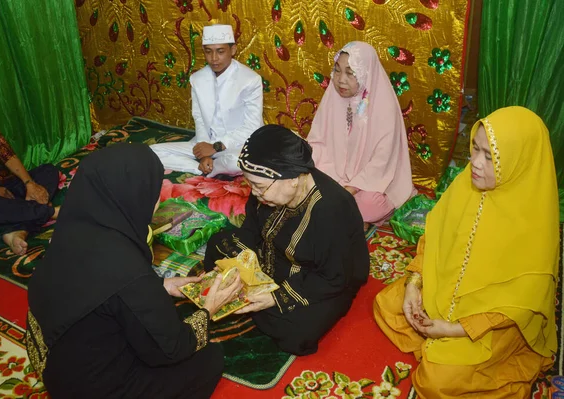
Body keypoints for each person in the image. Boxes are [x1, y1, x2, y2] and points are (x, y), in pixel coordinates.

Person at [26, 143, 242, 399]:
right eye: (152, 192)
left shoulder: (72, 230)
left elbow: (97, 288)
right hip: (93, 389)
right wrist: (209, 308)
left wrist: (162, 286)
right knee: (208, 359)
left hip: (57, 365)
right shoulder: (127, 269)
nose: (156, 202)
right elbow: (170, 349)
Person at [373, 107, 558, 398]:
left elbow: (513, 308)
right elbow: (433, 241)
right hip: (443, 291)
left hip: (487, 323)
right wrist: (414, 284)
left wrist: (451, 329)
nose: (474, 162)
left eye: (489, 156)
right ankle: (436, 345)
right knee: (389, 305)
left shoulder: (533, 221)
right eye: (475, 148)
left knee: (435, 383)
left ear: (518, 162)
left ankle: (447, 351)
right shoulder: (465, 185)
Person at [204, 125, 370, 355]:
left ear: (293, 179)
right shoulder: (268, 189)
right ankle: (249, 297)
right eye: (250, 184)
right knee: (217, 245)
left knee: (297, 333)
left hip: (319, 278)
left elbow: (334, 276)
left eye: (259, 187)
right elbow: (252, 229)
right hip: (273, 255)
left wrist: (275, 297)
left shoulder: (331, 210)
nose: (254, 193)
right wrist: (243, 263)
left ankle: (250, 300)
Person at [307, 42, 415, 226]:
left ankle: (347, 213)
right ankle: (349, 217)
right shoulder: (332, 95)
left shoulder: (384, 105)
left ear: (366, 73)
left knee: (369, 203)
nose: (341, 80)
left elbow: (382, 162)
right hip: (335, 176)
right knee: (301, 181)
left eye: (350, 73)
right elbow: (317, 141)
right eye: (338, 70)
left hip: (372, 184)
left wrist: (349, 189)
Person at [150, 24, 264, 177]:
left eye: (220, 51)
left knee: (237, 161)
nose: (214, 58)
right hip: (206, 143)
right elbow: (199, 118)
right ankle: (202, 168)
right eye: (208, 52)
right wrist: (204, 152)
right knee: (153, 151)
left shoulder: (250, 80)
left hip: (237, 144)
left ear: (233, 50)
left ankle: (211, 167)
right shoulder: (197, 79)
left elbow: (252, 127)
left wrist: (216, 147)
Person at [0, 105, 60, 255]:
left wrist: (29, 183)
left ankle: (18, 230)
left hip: (9, 183)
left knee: (48, 171)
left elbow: (5, 152)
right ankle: (49, 211)